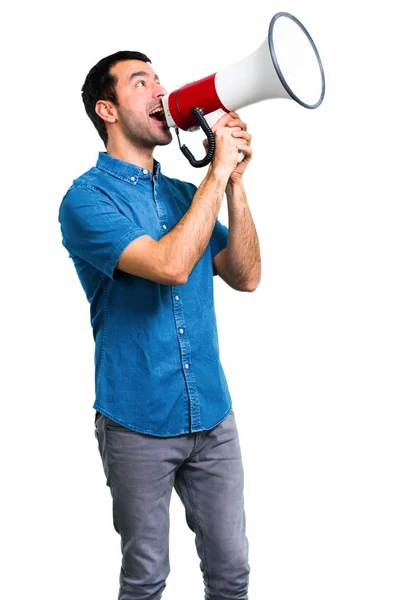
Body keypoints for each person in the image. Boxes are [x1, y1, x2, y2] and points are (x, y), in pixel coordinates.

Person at [58, 50, 261, 600]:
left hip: (213, 417)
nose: (160, 93)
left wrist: (234, 183)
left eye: (160, 80)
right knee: (146, 579)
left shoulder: (182, 195)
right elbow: (170, 265)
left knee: (232, 574)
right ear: (106, 110)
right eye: (141, 82)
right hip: (137, 423)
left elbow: (246, 276)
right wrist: (215, 171)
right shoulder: (85, 199)